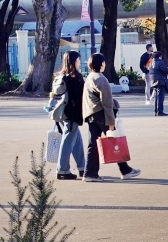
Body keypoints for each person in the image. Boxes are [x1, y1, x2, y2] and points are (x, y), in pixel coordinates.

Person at [83, 52, 140, 182]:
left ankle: (90, 173)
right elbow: (107, 103)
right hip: (102, 114)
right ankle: (125, 170)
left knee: (93, 144)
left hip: (91, 114)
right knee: (115, 141)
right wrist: (111, 122)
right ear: (101, 64)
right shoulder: (101, 79)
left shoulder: (90, 77)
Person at [50, 50, 86, 180]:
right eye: (78, 60)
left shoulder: (61, 77)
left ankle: (82, 167)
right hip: (73, 113)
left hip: (63, 112)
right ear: (73, 61)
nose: (79, 62)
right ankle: (62, 170)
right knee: (68, 141)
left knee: (76, 140)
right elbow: (81, 96)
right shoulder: (75, 78)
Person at [151, 51, 168, 116]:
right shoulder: (160, 62)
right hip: (160, 81)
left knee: (156, 97)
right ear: (159, 56)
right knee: (160, 97)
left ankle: (156, 111)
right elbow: (165, 70)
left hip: (153, 81)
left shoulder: (151, 62)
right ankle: (160, 111)